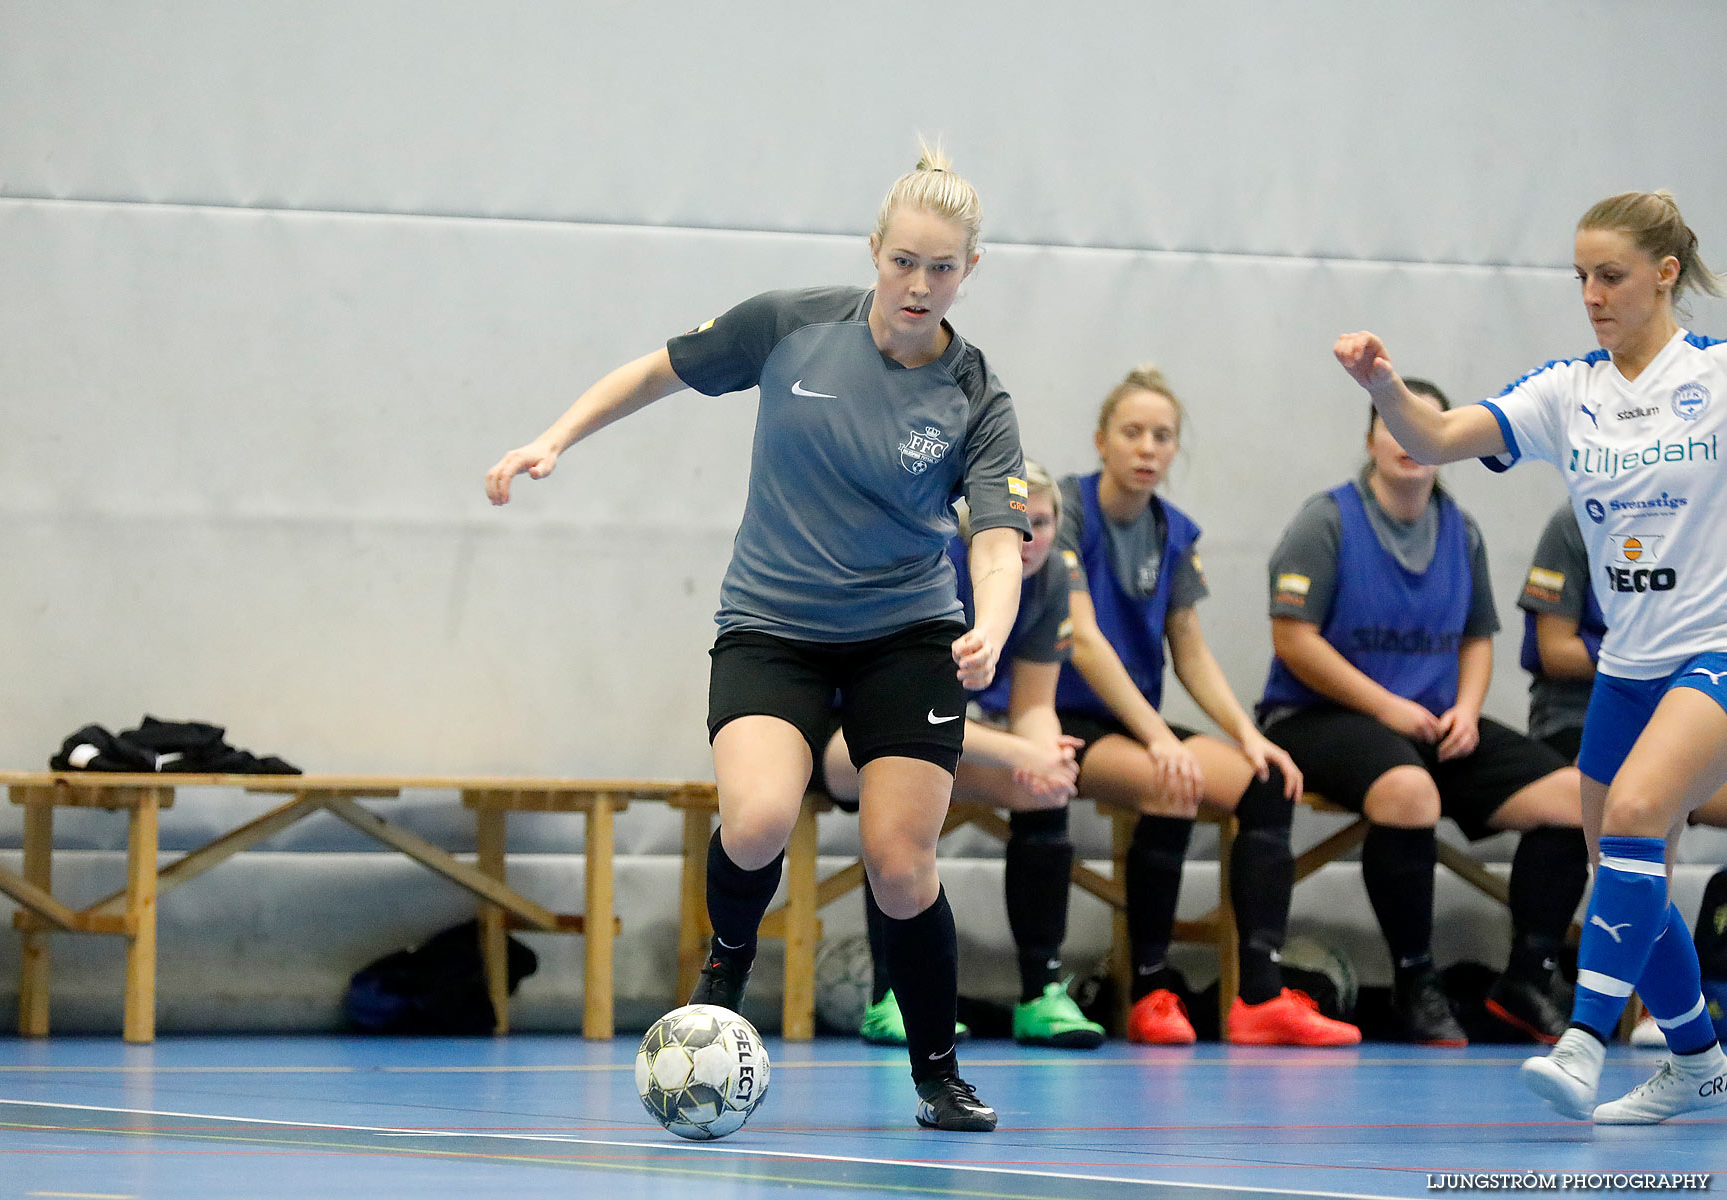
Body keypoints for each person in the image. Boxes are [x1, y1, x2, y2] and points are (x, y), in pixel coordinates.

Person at [485, 145, 1026, 1132]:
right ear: (874, 252)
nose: (918, 284)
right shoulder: (789, 326)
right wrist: (555, 436)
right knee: (760, 820)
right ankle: (726, 963)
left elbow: (996, 537)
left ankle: (937, 1072)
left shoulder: (976, 393)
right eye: (903, 260)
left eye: (941, 268)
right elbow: (658, 371)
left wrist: (990, 624)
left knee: (900, 863)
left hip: (907, 636)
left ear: (969, 274)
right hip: (771, 627)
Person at [1334, 189, 1727, 1123]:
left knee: (1633, 816)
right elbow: (1434, 437)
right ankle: (1701, 1060)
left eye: (1612, 275)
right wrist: (1386, 387)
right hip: (1626, 670)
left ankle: (1585, 1040)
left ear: (1665, 275)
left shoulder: (1716, 377)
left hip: (1711, 654)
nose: (1591, 293)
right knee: (1626, 865)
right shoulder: (1568, 392)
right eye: (1581, 276)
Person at [1258, 379, 1589, 1048]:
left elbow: (1476, 638)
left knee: (1578, 800)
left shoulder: (1460, 531)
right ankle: (1416, 982)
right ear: (1372, 438)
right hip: (1315, 717)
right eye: (1394, 424)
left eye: (1425, 429)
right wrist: (1388, 706)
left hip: (1432, 723)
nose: (1409, 441)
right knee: (1410, 791)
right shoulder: (1327, 520)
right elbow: (1293, 639)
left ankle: (1528, 975)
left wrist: (1467, 710)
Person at [1055, 366, 1362, 1047]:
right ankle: (1152, 989)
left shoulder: (1173, 533)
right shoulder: (1069, 511)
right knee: (1169, 778)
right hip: (1056, 715)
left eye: (1162, 436)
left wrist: (1250, 736)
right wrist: (1157, 738)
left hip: (1133, 721)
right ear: (1101, 441)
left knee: (1265, 781)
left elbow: (1190, 653)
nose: (1147, 448)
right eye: (1132, 433)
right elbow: (1083, 642)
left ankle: (1258, 996)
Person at [819, 462, 1105, 1049]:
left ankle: (1041, 993)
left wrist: (1045, 753)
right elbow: (910, 717)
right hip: (850, 738)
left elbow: (1033, 702)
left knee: (1042, 787)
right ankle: (892, 995)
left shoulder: (1048, 580)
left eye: (1044, 523)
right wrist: (1023, 750)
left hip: (945, 741)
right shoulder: (936, 567)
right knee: (907, 771)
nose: (1030, 539)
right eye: (1016, 523)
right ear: (978, 527)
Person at [1516, 502, 1727, 1048]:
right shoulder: (1576, 519)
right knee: (1634, 821)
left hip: (1690, 708)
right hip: (1581, 714)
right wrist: (1645, 655)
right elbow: (1554, 649)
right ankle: (1648, 1020)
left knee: (1651, 810)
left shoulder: (1706, 520)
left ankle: (1675, 1033)